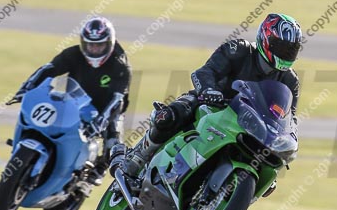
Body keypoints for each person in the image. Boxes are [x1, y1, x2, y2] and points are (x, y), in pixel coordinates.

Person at [113, 13, 302, 192]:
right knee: (169, 116)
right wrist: (209, 91)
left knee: (267, 174)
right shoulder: (239, 49)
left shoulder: (290, 81)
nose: (285, 53)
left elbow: (287, 118)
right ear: (266, 40)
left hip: (250, 124)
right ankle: (137, 159)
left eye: (291, 50)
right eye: (282, 47)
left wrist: (284, 142)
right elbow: (204, 72)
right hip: (211, 102)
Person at [14, 17, 131, 185]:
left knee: (113, 140)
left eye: (99, 45)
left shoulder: (120, 65)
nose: (94, 50)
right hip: (76, 98)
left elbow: (117, 99)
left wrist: (101, 121)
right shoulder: (73, 54)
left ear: (110, 43)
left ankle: (100, 168)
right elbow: (48, 69)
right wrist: (26, 88)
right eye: (90, 45)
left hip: (108, 107)